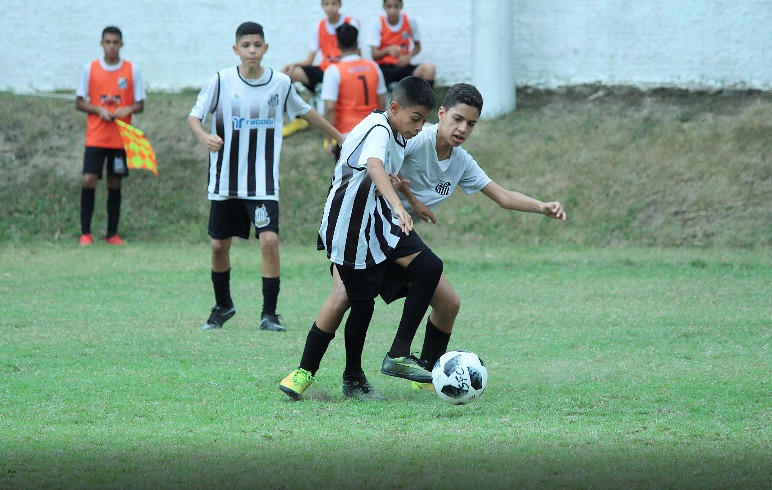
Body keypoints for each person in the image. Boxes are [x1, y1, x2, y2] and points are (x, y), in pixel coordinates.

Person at [286, 83, 568, 397]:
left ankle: (427, 371)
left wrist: (542, 206)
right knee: (344, 298)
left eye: (471, 124)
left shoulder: (459, 161)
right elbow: (378, 167)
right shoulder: (413, 135)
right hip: (367, 228)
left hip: (397, 234)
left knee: (448, 302)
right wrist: (403, 202)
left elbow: (501, 195)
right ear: (442, 115)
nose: (462, 129)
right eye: (457, 119)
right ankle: (307, 372)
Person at [280, 76, 439, 402]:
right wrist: (399, 206)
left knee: (429, 267)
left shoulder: (395, 131)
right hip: (349, 228)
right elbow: (374, 164)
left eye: (424, 120)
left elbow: (388, 173)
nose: (419, 127)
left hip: (377, 221)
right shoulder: (378, 129)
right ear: (394, 108)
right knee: (358, 304)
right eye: (416, 119)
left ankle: (398, 354)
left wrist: (410, 198)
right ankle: (342, 377)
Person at [187, 22, 344, 332]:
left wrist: (340, 136)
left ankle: (269, 314)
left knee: (269, 241)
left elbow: (305, 113)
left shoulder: (280, 84)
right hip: (225, 180)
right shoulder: (220, 81)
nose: (252, 50)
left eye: (257, 44)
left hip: (261, 181)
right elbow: (194, 117)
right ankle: (223, 306)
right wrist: (204, 137)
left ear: (266, 48)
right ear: (236, 49)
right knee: (219, 246)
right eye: (246, 45)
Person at [76, 26, 146, 246]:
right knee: (89, 179)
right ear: (101, 43)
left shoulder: (132, 70)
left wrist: (127, 109)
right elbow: (79, 102)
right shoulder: (90, 69)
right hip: (96, 137)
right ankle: (85, 233)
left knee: (115, 183)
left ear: (121, 44)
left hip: (119, 139)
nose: (111, 46)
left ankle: (111, 234)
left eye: (115, 42)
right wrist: (98, 110)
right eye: (108, 42)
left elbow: (140, 104)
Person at [280, 0, 363, 138]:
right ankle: (299, 119)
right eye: (326, 4)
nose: (330, 7)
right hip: (325, 70)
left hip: (344, 71)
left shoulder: (351, 23)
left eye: (333, 3)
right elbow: (309, 60)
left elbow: (357, 55)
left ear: (340, 5)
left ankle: (339, 125)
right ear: (322, 6)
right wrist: (293, 65)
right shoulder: (318, 26)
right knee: (287, 75)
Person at [320, 23, 387, 160]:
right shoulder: (373, 67)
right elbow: (382, 101)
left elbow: (329, 109)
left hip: (347, 135)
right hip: (373, 131)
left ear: (337, 44)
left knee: (345, 180)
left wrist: (329, 140)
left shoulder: (333, 71)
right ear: (357, 44)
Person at [367, 0, 436, 87]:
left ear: (401, 6)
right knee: (370, 75)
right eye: (389, 7)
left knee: (429, 69)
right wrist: (387, 50)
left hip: (404, 66)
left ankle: (426, 100)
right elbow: (374, 55)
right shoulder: (377, 23)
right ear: (384, 6)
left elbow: (418, 46)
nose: (393, 11)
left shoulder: (410, 21)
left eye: (396, 6)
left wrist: (408, 56)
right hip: (384, 68)